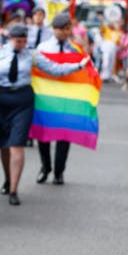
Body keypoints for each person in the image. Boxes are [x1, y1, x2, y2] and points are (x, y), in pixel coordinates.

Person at [0, 24, 89, 205]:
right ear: (10, 39)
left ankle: (13, 189)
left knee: (16, 144)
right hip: (3, 99)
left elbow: (54, 68)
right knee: (4, 145)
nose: (21, 44)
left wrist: (77, 66)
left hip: (23, 100)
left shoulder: (32, 54)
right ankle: (7, 179)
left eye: (23, 41)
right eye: (18, 41)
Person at [35, 14, 88, 185]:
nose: (65, 32)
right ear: (54, 29)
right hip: (46, 98)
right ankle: (46, 167)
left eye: (67, 28)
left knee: (64, 135)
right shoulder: (42, 48)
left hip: (67, 99)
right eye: (61, 29)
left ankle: (59, 171)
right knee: (43, 134)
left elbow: (84, 73)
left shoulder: (75, 50)